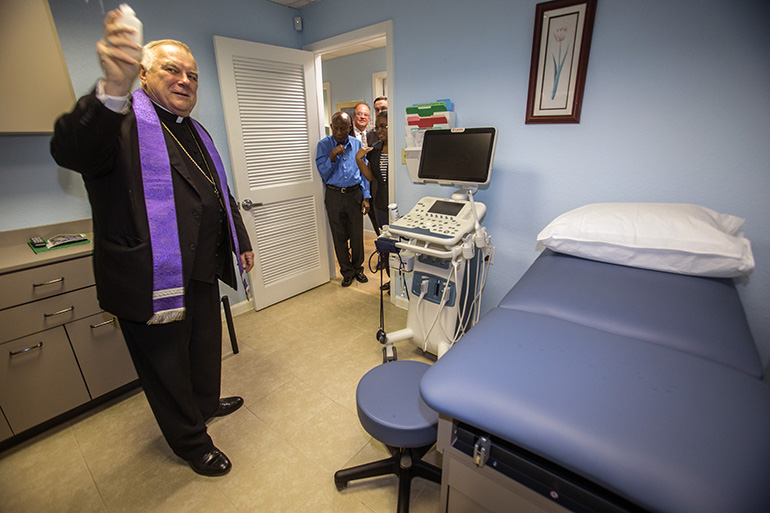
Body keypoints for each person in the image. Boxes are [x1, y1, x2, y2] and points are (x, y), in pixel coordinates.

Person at [50, 9, 254, 477]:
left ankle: (204, 405)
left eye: (193, 75)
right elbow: (70, 149)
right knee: (166, 370)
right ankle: (190, 441)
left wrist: (239, 239)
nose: (185, 81)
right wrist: (111, 88)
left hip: (201, 270)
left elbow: (218, 193)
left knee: (203, 350)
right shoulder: (118, 125)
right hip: (149, 278)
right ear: (142, 74)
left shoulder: (196, 132)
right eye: (172, 70)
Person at [315, 111, 371, 287]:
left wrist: (366, 197)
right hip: (334, 195)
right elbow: (323, 173)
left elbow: (364, 172)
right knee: (339, 236)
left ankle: (358, 269)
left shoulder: (356, 144)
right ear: (331, 127)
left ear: (350, 127)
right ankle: (346, 272)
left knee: (356, 235)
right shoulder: (323, 145)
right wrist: (332, 156)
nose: (339, 132)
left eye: (343, 128)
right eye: (336, 128)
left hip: (355, 194)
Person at [356, 111, 390, 289]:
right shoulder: (375, 149)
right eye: (377, 127)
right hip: (380, 203)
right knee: (386, 242)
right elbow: (370, 177)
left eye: (384, 126)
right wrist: (359, 158)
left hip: (398, 204)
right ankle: (392, 280)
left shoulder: (399, 148)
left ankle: (400, 282)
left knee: (401, 245)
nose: (380, 130)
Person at [350, 102, 381, 233]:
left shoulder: (375, 135)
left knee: (378, 224)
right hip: (354, 187)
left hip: (374, 186)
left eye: (366, 115)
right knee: (354, 228)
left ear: (369, 118)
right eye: (359, 114)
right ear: (354, 116)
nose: (362, 117)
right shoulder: (346, 136)